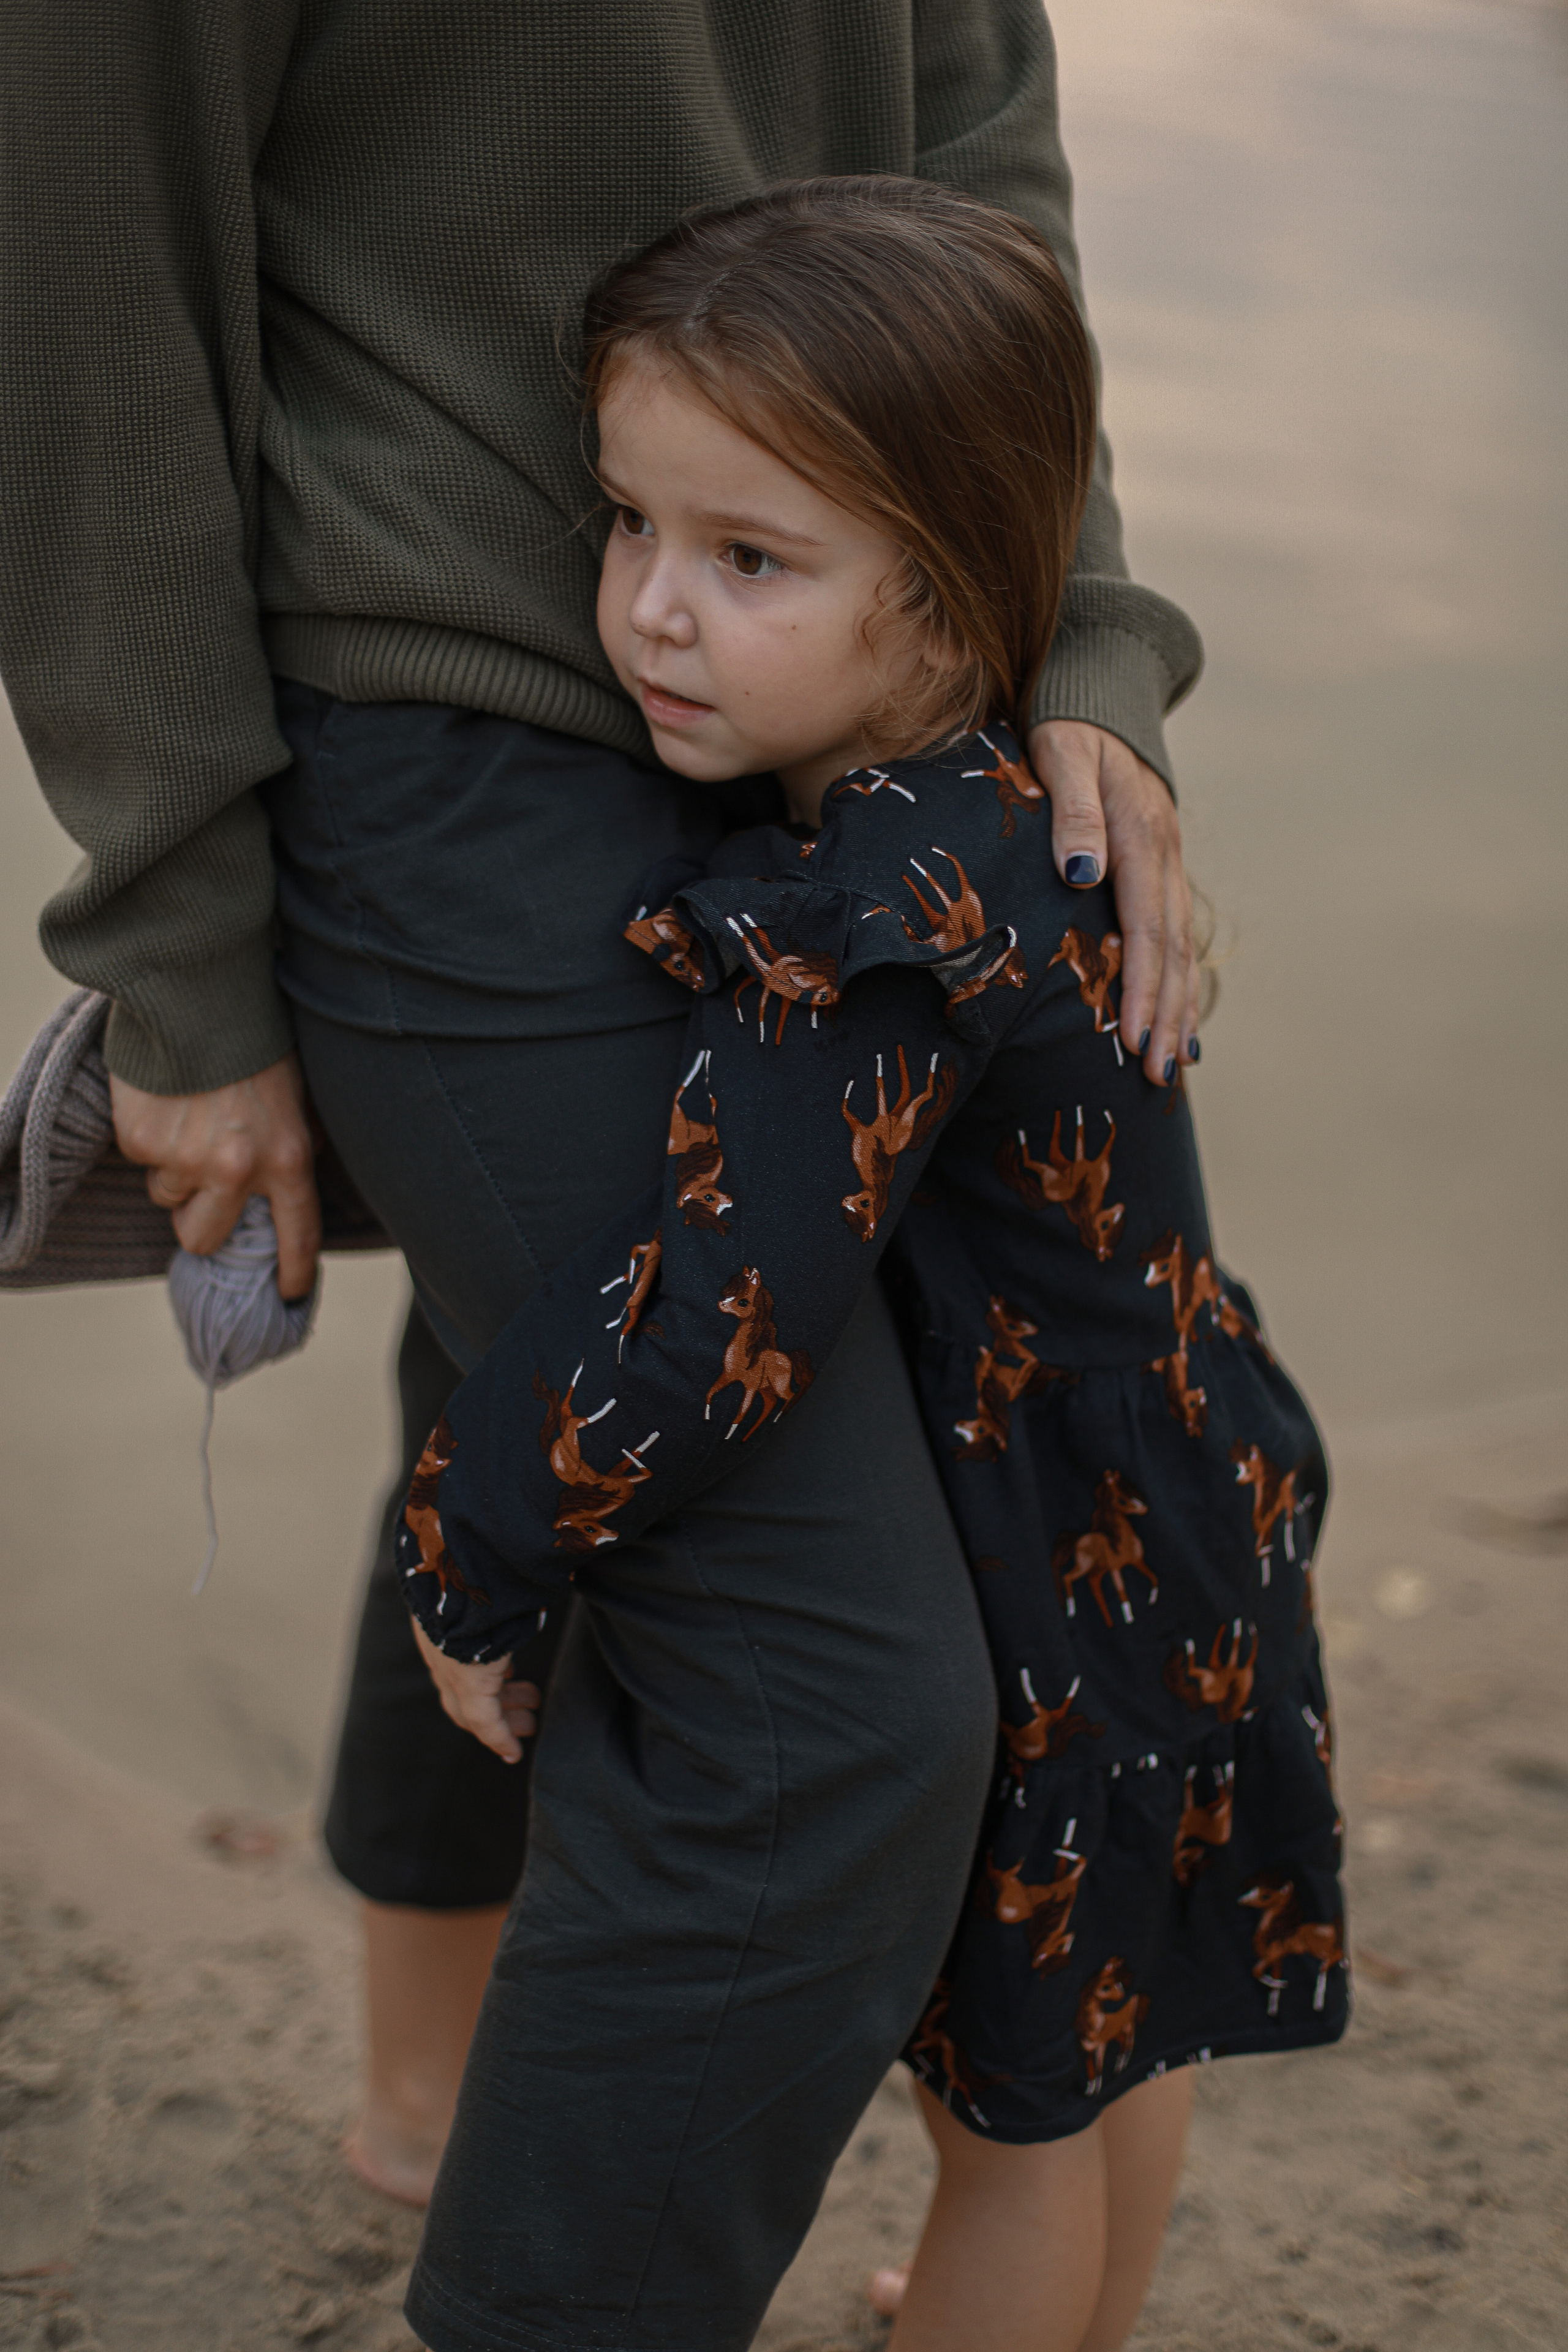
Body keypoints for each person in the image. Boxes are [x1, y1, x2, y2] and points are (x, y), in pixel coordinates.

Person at [0, 0, 1202, 2232]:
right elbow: (81, 290)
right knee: (821, 1701)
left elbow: (983, 153)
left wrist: (1075, 635)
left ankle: (422, 2115)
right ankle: (461, 2167)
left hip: (870, 680)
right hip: (435, 704)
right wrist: (178, 941)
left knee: (532, 1379)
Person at [405, 178, 1343, 2352]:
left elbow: (727, 1322)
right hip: (1190, 1481)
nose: (647, 611)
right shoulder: (1033, 802)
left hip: (1048, 1543)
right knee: (1119, 2033)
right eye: (629, 524)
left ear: (940, 599)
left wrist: (479, 1532)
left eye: (748, 562)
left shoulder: (870, 928)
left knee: (1007, 2126)